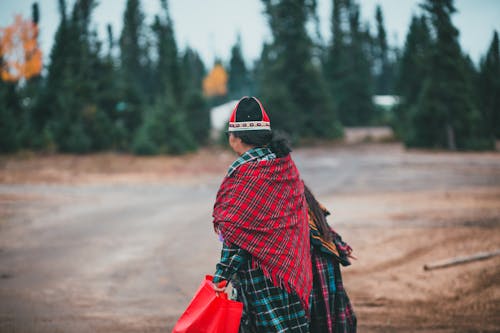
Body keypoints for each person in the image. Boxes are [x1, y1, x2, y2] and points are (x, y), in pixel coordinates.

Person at [212, 96, 312, 332]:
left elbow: (236, 236)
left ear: (237, 138)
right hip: (288, 269)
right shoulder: (282, 165)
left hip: (260, 276)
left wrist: (222, 274)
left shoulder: (246, 174)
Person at [304, 184, 357, 332]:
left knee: (319, 317)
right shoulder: (312, 207)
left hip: (316, 272)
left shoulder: (297, 210)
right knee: (330, 315)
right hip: (327, 270)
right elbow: (328, 232)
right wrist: (341, 247)